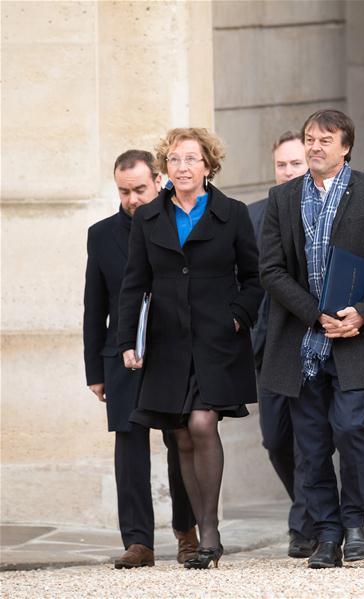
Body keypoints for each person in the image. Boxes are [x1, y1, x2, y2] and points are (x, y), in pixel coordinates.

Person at [258, 109, 364, 568]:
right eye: (309, 139)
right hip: (302, 341)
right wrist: (315, 314)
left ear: (346, 146)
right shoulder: (282, 199)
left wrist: (361, 314)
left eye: (326, 139)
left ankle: (355, 521)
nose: (315, 146)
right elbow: (271, 270)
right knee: (312, 443)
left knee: (348, 428)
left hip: (355, 338)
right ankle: (326, 534)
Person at [118, 128, 263, 569]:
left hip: (217, 341)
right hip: (166, 344)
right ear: (166, 168)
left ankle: (211, 530)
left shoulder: (232, 213)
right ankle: (201, 534)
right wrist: (127, 340)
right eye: (175, 160)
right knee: (179, 434)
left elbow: (255, 279)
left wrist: (237, 315)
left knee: (202, 423)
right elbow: (134, 283)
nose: (182, 168)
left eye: (191, 159)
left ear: (208, 166)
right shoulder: (147, 218)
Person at [84, 150, 197, 569]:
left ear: (159, 182)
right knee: (129, 448)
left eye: (139, 189)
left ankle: (188, 535)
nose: (132, 199)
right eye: (124, 191)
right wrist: (95, 371)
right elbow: (94, 307)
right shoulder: (100, 235)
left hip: (172, 351)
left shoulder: (180, 225)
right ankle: (138, 542)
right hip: (121, 356)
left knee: (179, 441)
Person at [246, 131, 315, 559]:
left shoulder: (329, 212)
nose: (289, 172)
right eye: (282, 165)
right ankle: (307, 504)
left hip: (313, 340)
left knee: (311, 438)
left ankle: (305, 522)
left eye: (297, 164)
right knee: (276, 439)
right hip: (270, 346)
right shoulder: (254, 215)